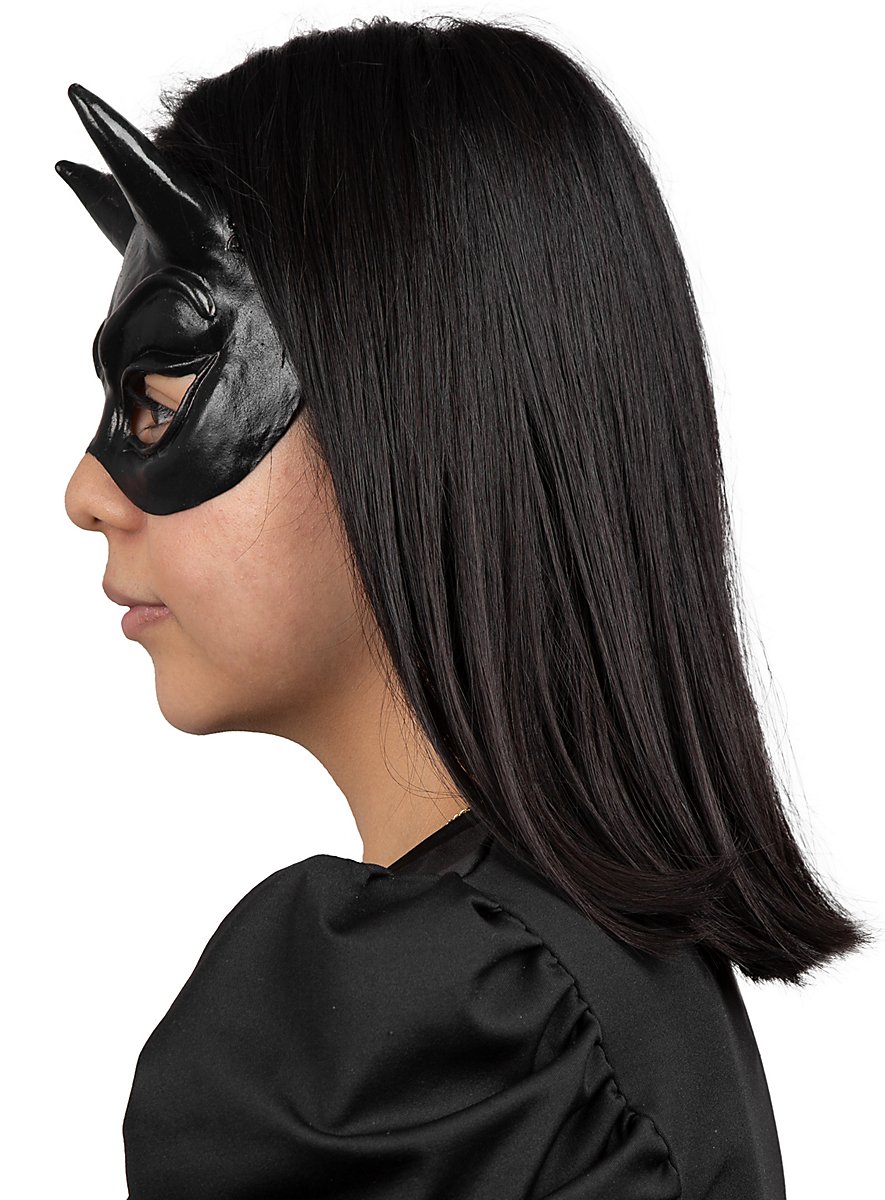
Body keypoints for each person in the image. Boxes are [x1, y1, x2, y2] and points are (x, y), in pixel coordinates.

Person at [56, 15, 873, 1199]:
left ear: (405, 406)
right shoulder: (597, 993)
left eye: (160, 399)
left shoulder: (443, 1043)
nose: (87, 496)